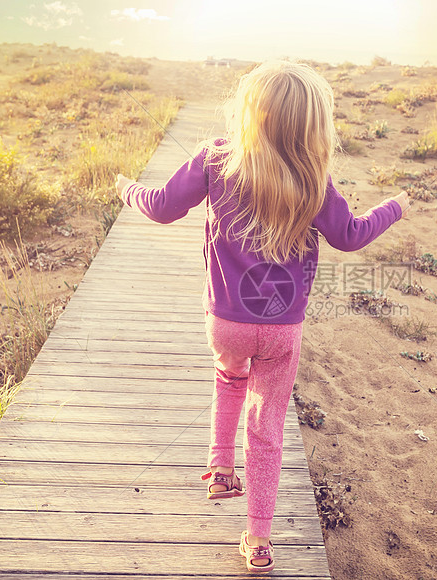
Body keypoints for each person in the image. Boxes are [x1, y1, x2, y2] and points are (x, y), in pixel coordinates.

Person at [116, 60, 410, 574]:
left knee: (228, 378)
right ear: (313, 125)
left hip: (225, 320)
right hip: (282, 328)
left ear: (249, 113)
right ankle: (257, 540)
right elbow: (351, 235)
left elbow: (161, 207)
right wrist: (394, 206)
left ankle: (220, 467)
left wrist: (127, 188)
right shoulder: (314, 178)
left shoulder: (216, 159)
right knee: (267, 426)